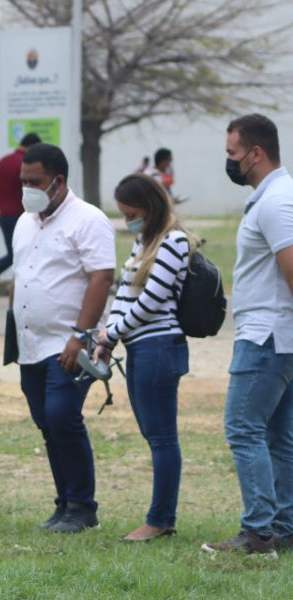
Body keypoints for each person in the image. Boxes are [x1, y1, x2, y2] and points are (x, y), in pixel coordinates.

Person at [11, 143, 116, 534]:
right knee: (45, 422)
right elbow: (23, 277)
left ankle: (83, 508)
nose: (27, 190)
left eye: (34, 182)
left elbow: (101, 278)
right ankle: (64, 503)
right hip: (30, 343)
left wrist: (82, 335)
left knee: (62, 417)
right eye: (23, 182)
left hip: (69, 342)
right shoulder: (25, 220)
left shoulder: (88, 219)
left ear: (58, 181)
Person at [202, 114, 293, 557]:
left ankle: (258, 533)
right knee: (279, 435)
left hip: (266, 335)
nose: (230, 162)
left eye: (233, 154)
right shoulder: (276, 195)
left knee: (243, 428)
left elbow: (291, 265)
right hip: (280, 336)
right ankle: (283, 527)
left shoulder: (276, 201)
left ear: (256, 153)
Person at [95, 174, 193, 542]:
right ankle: (160, 517)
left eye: (131, 213)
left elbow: (152, 301)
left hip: (159, 347)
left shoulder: (174, 242)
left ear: (150, 208)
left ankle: (160, 519)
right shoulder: (144, 241)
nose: (127, 220)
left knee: (163, 437)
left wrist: (113, 332)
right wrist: (108, 338)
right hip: (139, 347)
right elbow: (124, 294)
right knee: (155, 435)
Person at [0, 133, 40, 301]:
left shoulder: (3, 162)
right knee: (20, 253)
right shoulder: (25, 164)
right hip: (20, 215)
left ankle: (13, 285)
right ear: (32, 147)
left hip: (5, 214)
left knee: (16, 253)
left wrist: (0, 211)